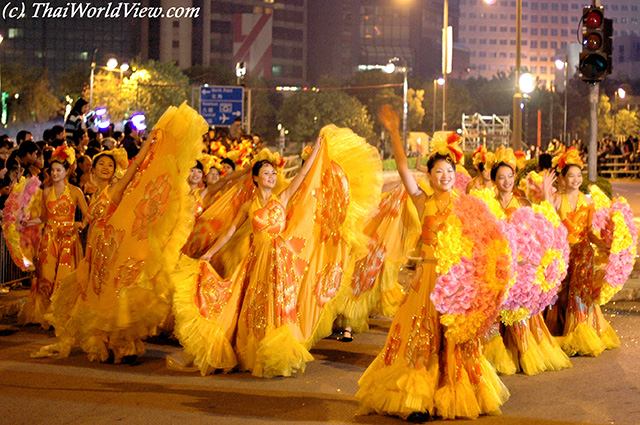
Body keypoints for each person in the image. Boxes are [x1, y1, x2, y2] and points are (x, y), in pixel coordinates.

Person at [169, 125, 383, 378]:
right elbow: (228, 232)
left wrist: (317, 149)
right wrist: (209, 253)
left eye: (273, 173)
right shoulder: (248, 205)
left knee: (279, 306)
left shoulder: (281, 198)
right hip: (256, 261)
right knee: (252, 306)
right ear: (256, 178)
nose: (271, 176)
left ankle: (275, 351)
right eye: (266, 173)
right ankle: (253, 350)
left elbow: (304, 175)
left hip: (280, 262)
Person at [357, 106, 510, 421]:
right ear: (430, 175)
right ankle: (417, 397)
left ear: (456, 176)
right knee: (420, 335)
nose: (444, 177)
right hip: (426, 279)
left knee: (453, 337)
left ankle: (455, 390)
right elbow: (402, 168)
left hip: (456, 283)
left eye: (449, 172)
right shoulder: (422, 200)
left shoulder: (467, 204)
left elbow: (483, 242)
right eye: (439, 172)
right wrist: (395, 134)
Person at [33, 103, 209, 363]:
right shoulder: (86, 192)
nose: (105, 168)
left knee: (117, 295)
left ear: (115, 170)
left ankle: (123, 344)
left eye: (109, 165)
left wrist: (151, 141)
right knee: (96, 296)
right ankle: (105, 342)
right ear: (92, 170)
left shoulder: (120, 189)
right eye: (100, 164)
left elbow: (138, 166)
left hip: (116, 248)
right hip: (96, 250)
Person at [481, 148, 571, 376]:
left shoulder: (522, 202)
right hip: (496, 270)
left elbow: (541, 227)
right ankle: (493, 354)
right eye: (501, 177)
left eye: (510, 176)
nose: (507, 181)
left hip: (520, 272)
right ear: (494, 180)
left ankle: (521, 352)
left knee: (519, 316)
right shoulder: (486, 204)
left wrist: (548, 197)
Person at [543, 147, 619, 356]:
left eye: (579, 175)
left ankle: (581, 330)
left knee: (581, 294)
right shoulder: (557, 199)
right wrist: (545, 191)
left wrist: (603, 244)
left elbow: (589, 232)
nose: (576, 179)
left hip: (584, 254)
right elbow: (548, 218)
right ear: (563, 178)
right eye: (571, 175)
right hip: (564, 254)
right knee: (562, 294)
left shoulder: (588, 202)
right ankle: (563, 332)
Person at [18, 146, 90, 327]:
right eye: (52, 170)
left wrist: (81, 224)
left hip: (68, 239)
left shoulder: (75, 192)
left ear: (66, 172)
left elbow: (88, 214)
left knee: (65, 277)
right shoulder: (45, 192)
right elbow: (43, 217)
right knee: (47, 276)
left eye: (59, 170)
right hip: (49, 237)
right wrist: (28, 222)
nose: (55, 173)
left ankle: (63, 315)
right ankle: (46, 313)